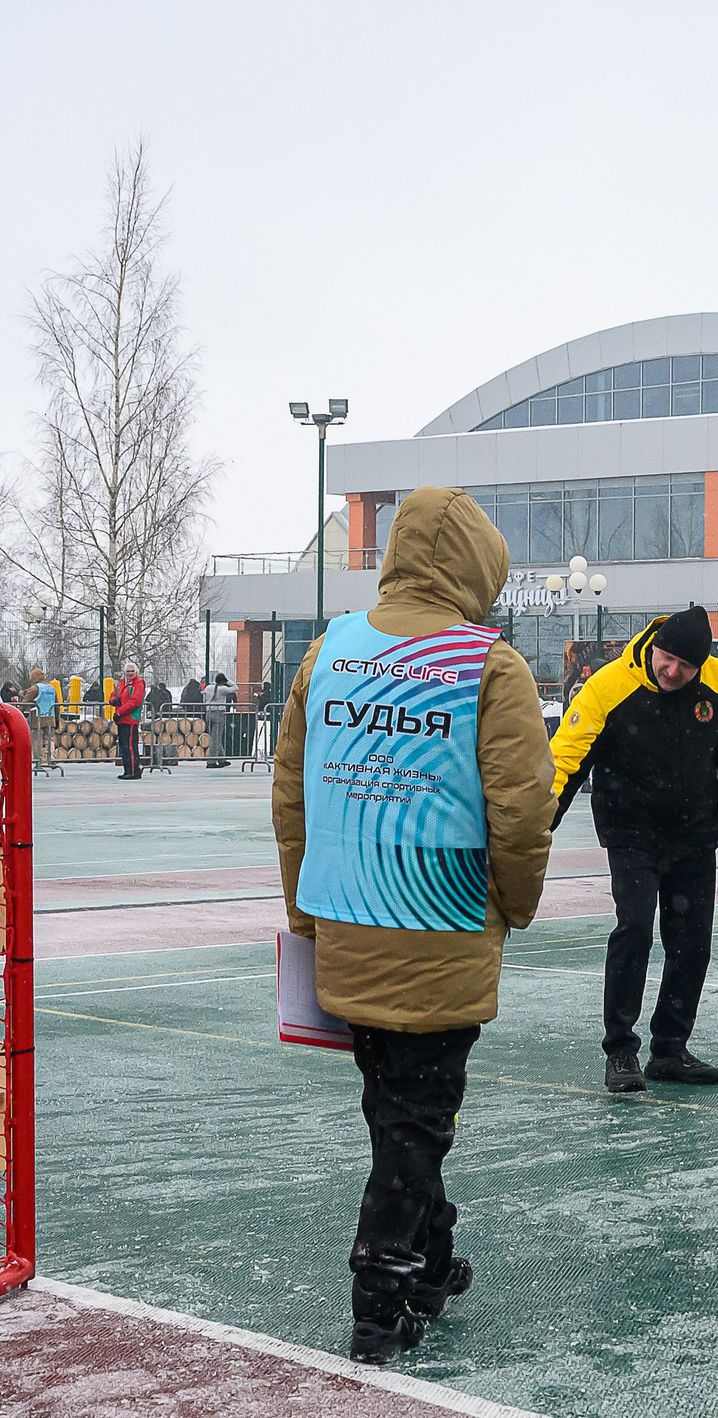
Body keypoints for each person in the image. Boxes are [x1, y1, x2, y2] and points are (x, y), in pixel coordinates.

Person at [274, 485, 553, 1365]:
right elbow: (520, 814)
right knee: (416, 1122)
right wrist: (514, 904)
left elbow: (292, 801)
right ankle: (381, 1293)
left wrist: (306, 911)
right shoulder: (488, 668)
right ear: (479, 568)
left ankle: (430, 1257)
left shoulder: (330, 655)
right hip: (441, 924)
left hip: (348, 921)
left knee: (395, 1108)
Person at [550, 603, 718, 1093]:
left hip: (693, 833)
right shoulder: (609, 685)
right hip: (631, 831)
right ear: (655, 645)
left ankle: (670, 1049)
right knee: (636, 929)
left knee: (692, 944)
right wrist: (542, 823)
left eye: (686, 667)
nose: (673, 671)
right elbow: (567, 757)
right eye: (667, 659)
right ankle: (620, 1050)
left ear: (700, 665)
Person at [112, 669, 146, 778]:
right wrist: (113, 700)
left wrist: (119, 712)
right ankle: (128, 770)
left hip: (130, 719)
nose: (130, 673)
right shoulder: (122, 683)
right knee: (124, 746)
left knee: (130, 746)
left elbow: (134, 702)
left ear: (136, 672)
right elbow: (114, 694)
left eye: (132, 671)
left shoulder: (138, 683)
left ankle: (133, 771)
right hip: (121, 719)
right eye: (128, 671)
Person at [205, 671, 236, 767]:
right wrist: (228, 680)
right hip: (219, 714)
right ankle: (211, 761)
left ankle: (222, 759)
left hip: (208, 712)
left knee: (215, 738)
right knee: (216, 739)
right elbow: (235, 688)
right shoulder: (223, 689)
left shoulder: (208, 688)